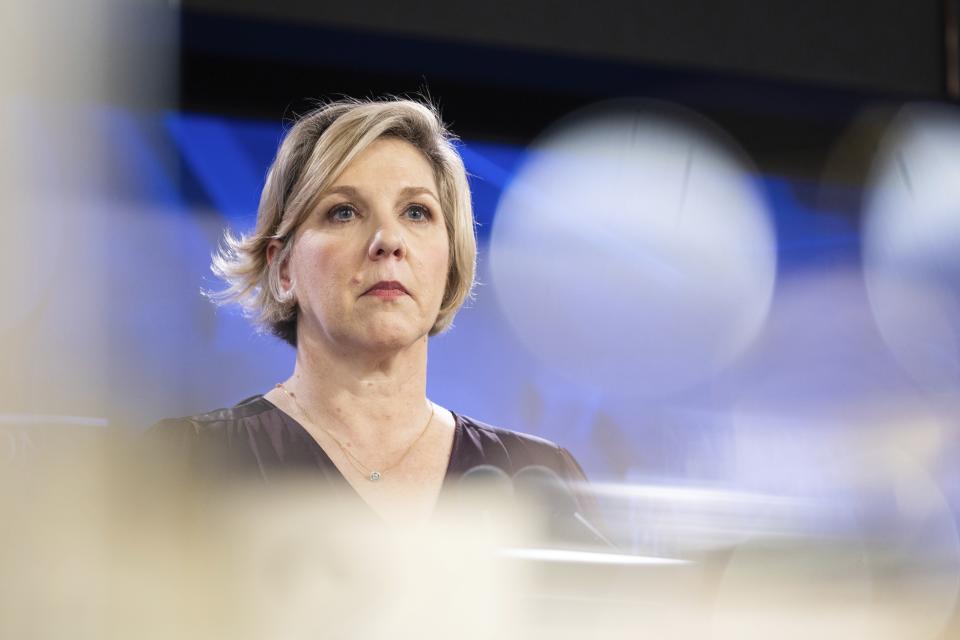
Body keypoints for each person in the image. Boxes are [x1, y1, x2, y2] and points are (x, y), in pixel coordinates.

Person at [152, 98, 594, 528]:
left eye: (416, 212)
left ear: (450, 262)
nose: (388, 240)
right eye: (344, 212)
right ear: (284, 269)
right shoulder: (188, 462)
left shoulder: (540, 482)